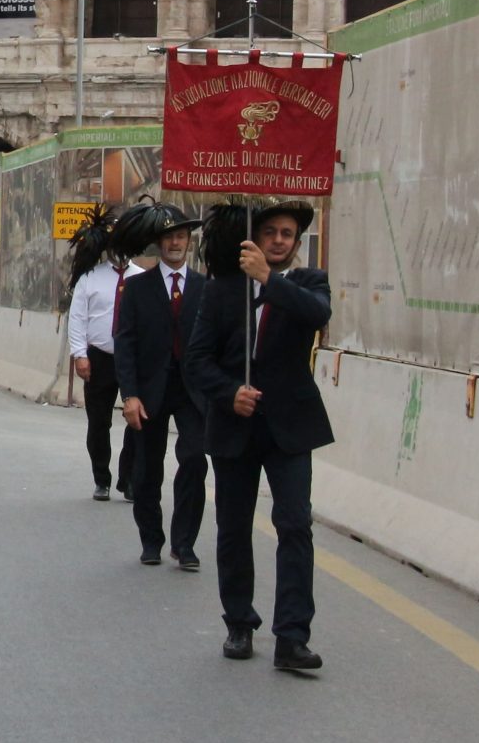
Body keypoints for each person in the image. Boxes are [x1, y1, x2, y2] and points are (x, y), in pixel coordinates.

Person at [183, 202, 333, 672]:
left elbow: (317, 315)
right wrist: (229, 394)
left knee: (294, 525)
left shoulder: (307, 284)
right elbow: (198, 359)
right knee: (233, 527)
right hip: (235, 427)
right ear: (255, 237)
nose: (280, 240)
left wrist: (270, 280)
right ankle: (239, 623)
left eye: (288, 234)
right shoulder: (222, 290)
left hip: (291, 427)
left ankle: (292, 636)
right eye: (271, 232)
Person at [110, 205, 209, 571]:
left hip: (193, 392)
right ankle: (151, 539)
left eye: (181, 236)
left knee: (195, 461)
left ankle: (185, 544)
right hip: (150, 391)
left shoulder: (204, 288)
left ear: (189, 241)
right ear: (159, 243)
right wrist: (129, 395)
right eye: (169, 237)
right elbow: (125, 343)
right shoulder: (136, 288)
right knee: (147, 468)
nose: (175, 242)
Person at [65, 215, 130, 503]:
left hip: (132, 359)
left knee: (140, 420)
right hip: (99, 357)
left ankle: (129, 478)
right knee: (99, 422)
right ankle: (101, 478)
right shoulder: (90, 278)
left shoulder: (141, 277)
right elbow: (77, 319)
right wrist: (80, 354)